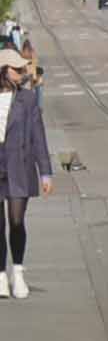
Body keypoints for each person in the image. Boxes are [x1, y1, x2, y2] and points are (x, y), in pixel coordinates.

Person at [0, 46, 53, 300]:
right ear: (3, 71)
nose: (22, 73)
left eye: (23, 69)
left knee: (16, 220)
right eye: (17, 69)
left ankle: (17, 272)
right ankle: (0, 275)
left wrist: (45, 173)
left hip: (19, 164)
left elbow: (38, 136)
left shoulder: (28, 99)